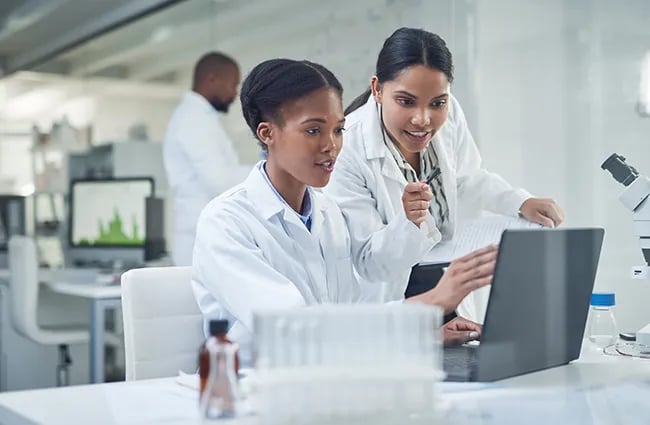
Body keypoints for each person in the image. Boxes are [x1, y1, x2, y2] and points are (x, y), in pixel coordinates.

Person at [191, 58, 496, 366]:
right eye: (313, 130)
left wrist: (425, 337)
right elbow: (294, 329)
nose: (331, 145)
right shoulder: (226, 222)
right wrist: (431, 302)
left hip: (328, 379)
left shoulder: (327, 213)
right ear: (267, 133)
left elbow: (348, 321)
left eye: (338, 130)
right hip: (255, 393)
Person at [324, 28, 564, 320]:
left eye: (437, 103)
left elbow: (467, 177)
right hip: (392, 301)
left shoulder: (450, 113)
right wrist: (409, 222)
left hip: (446, 286)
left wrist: (519, 201)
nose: (423, 119)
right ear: (377, 89)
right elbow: (369, 262)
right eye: (406, 101)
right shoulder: (347, 146)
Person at [163, 52, 250, 266]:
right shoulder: (194, 120)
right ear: (211, 80)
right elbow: (220, 181)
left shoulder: (200, 118)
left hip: (204, 235)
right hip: (198, 239)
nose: (234, 93)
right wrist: (271, 170)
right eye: (232, 85)